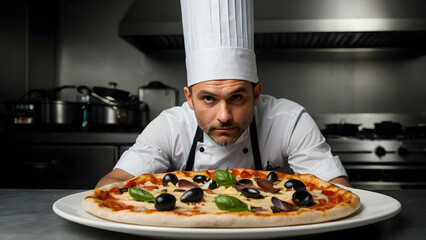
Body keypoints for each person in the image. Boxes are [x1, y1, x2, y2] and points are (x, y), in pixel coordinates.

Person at [96, 0, 350, 188]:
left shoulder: (288, 120)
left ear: (257, 93)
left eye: (237, 98)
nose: (224, 116)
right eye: (208, 98)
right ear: (189, 98)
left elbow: (337, 189)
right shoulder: (169, 127)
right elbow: (111, 185)